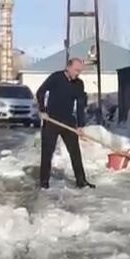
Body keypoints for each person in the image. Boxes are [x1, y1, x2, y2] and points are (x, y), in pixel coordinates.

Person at [35, 58, 95, 190]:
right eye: (76, 70)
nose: (78, 73)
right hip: (51, 120)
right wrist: (42, 110)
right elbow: (40, 92)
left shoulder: (79, 83)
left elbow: (80, 105)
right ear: (68, 67)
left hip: (68, 121)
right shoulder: (56, 77)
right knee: (47, 152)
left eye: (80, 71)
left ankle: (81, 181)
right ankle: (44, 183)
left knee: (75, 152)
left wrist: (80, 125)